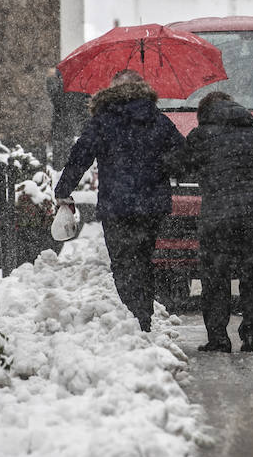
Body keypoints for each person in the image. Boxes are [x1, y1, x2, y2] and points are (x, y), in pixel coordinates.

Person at [54, 69, 182, 331]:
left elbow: (80, 156)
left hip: (116, 205)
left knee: (123, 263)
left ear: (111, 91)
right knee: (143, 259)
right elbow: (183, 158)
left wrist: (63, 189)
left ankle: (134, 316)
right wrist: (161, 166)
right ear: (142, 89)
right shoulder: (158, 120)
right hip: (151, 205)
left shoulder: (103, 121)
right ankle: (142, 316)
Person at [168, 90, 253, 353]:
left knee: (215, 278)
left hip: (219, 220)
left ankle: (219, 338)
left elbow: (178, 167)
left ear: (205, 114)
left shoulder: (202, 136)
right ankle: (251, 334)